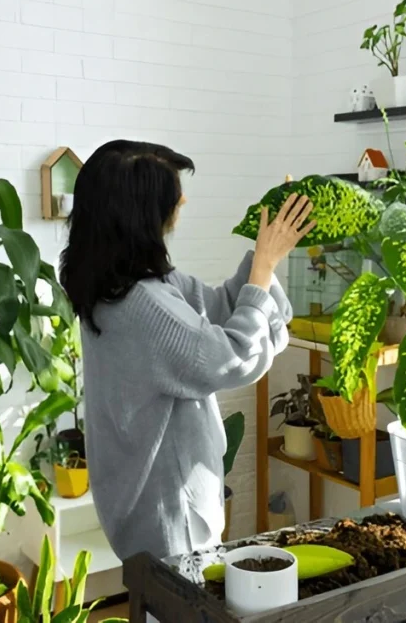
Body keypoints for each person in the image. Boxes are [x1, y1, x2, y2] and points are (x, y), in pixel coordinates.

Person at [59, 139, 315, 561]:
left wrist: (264, 252)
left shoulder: (116, 284)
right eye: (173, 193)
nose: (183, 199)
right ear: (143, 213)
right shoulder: (145, 307)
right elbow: (230, 357)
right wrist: (266, 267)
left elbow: (213, 308)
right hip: (168, 518)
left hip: (144, 507)